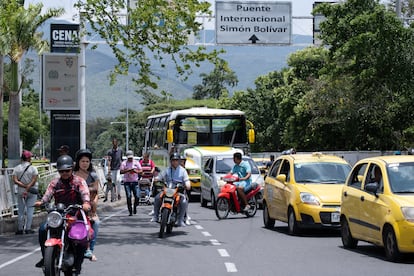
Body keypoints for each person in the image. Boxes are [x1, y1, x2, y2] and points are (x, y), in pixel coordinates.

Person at [34, 155, 91, 275]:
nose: (64, 173)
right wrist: (41, 202)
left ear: (72, 169)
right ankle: (46, 258)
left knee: (80, 237)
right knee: (43, 229)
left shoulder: (79, 181)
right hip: (58, 216)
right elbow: (47, 195)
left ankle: (77, 265)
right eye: (61, 171)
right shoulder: (55, 182)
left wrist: (86, 203)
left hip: (75, 216)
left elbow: (85, 195)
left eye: (67, 170)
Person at [73, 149, 99, 262]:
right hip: (74, 206)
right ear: (78, 162)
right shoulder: (72, 175)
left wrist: (93, 208)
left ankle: (90, 251)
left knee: (96, 224)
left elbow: (96, 193)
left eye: (87, 161)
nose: (85, 163)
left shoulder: (93, 175)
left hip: (89, 207)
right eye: (82, 161)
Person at [151, 153, 190, 227]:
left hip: (178, 191)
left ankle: (180, 220)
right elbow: (160, 176)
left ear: (179, 161)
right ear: (171, 161)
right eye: (173, 160)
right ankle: (155, 216)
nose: (175, 162)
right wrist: (157, 179)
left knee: (184, 201)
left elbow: (187, 180)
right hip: (168, 190)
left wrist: (187, 184)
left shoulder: (183, 171)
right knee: (157, 198)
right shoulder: (167, 170)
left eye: (176, 160)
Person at [12, 150, 39, 235]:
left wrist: (23, 186)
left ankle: (20, 229)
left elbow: (15, 180)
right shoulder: (33, 168)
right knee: (30, 210)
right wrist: (28, 186)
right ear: (29, 158)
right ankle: (28, 229)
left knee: (21, 210)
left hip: (21, 191)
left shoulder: (16, 168)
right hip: (32, 191)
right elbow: (34, 180)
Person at [120, 150, 142, 216]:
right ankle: (130, 210)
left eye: (131, 158)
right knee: (129, 196)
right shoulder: (124, 163)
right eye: (129, 158)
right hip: (127, 182)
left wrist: (135, 171)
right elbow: (121, 171)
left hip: (135, 181)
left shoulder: (136, 162)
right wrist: (128, 170)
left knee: (137, 196)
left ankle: (135, 206)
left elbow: (141, 170)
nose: (130, 159)